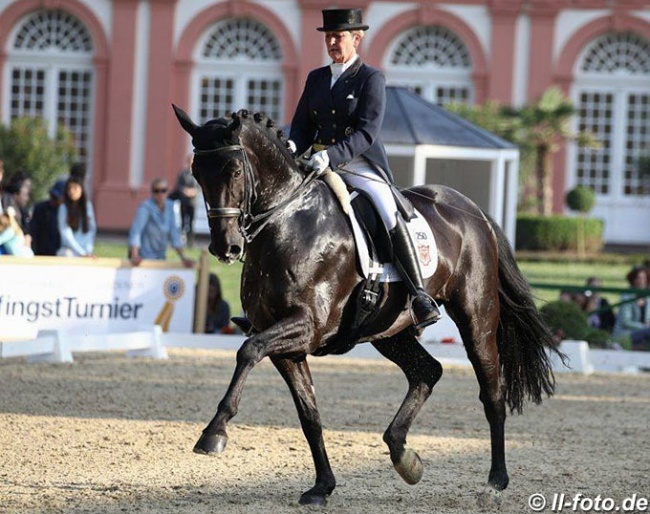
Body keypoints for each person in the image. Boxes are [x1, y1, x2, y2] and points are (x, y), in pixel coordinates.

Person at [288, 8, 440, 328]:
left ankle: (419, 295)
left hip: (359, 164)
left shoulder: (371, 78)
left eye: (338, 36)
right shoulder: (316, 78)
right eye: (328, 36)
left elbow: (367, 132)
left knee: (387, 209)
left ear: (356, 39)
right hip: (317, 162)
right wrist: (291, 147)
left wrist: (331, 155)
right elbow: (302, 126)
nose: (332, 41)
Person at [128, 177, 194, 267]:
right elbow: (136, 231)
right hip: (142, 259)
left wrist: (183, 258)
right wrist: (135, 255)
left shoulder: (170, 206)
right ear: (152, 192)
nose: (160, 194)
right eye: (156, 191)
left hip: (160, 258)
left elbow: (174, 233)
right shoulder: (145, 207)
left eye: (163, 190)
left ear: (168, 191)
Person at [57, 176, 96, 257]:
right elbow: (65, 233)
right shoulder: (63, 208)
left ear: (81, 189)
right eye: (69, 189)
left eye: (75, 188)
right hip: (69, 250)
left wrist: (88, 250)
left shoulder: (87, 206)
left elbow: (92, 229)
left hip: (85, 249)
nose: (72, 191)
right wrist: (81, 252)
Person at [613, 265, 650, 351]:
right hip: (627, 334)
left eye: (643, 278)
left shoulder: (648, 297)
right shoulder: (626, 297)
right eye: (638, 278)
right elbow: (625, 322)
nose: (641, 281)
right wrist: (644, 327)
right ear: (633, 280)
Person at [30, 179, 66, 256]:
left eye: (56, 198)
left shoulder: (64, 212)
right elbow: (34, 231)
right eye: (52, 196)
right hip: (40, 252)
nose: (53, 200)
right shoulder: (40, 208)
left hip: (58, 253)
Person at [169, 154, 199, 246]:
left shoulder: (197, 173)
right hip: (184, 201)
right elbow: (178, 186)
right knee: (183, 222)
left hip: (193, 202)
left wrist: (193, 191)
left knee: (191, 222)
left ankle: (190, 242)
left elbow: (199, 187)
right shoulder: (182, 173)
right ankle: (181, 241)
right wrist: (184, 190)